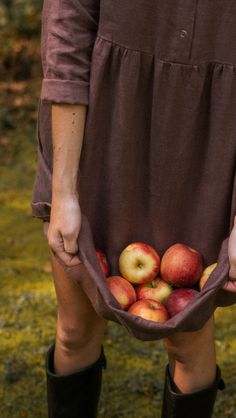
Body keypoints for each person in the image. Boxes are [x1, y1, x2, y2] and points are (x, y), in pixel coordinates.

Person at [31, 1, 236, 417]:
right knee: (75, 328)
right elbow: (66, 35)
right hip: (101, 130)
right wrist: (65, 189)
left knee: (189, 342)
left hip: (205, 145)